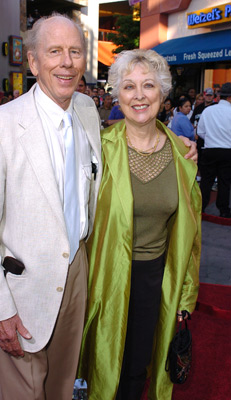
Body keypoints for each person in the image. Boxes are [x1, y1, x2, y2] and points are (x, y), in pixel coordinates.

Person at [0, 14, 102, 400]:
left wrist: (178, 147)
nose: (67, 62)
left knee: (61, 389)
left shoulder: (88, 112)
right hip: (21, 287)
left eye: (75, 52)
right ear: (33, 61)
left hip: (76, 272)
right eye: (54, 51)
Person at [78, 49, 201, 400]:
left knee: (137, 370)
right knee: (101, 366)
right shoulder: (97, 151)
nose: (139, 95)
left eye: (148, 85)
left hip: (157, 279)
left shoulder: (182, 156)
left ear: (162, 94)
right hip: (103, 277)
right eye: (129, 87)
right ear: (117, 95)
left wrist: (187, 293)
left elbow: (192, 237)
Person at [197, 82, 231, 218]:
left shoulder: (208, 110)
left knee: (206, 180)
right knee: (224, 181)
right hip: (227, 150)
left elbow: (200, 132)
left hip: (210, 149)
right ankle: (223, 210)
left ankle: (201, 207)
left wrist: (212, 138)